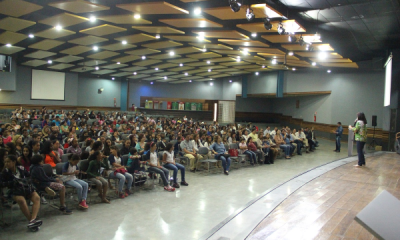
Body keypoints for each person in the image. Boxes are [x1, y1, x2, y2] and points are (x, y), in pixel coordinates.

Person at [0, 155, 42, 229]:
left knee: (36, 197)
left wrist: (26, 180)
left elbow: (29, 176)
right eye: (5, 162)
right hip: (14, 190)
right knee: (21, 201)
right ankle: (31, 220)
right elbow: (2, 184)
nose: (6, 163)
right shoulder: (4, 172)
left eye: (8, 162)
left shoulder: (21, 168)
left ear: (14, 162)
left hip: (25, 188)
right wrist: (12, 182)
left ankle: (33, 220)